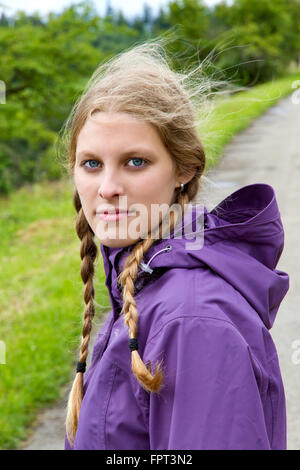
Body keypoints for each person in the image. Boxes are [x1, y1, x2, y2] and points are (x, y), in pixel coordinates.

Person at [61, 38, 289, 450]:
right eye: (91, 163)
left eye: (136, 161)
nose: (108, 188)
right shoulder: (140, 283)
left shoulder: (191, 318)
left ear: (183, 168)